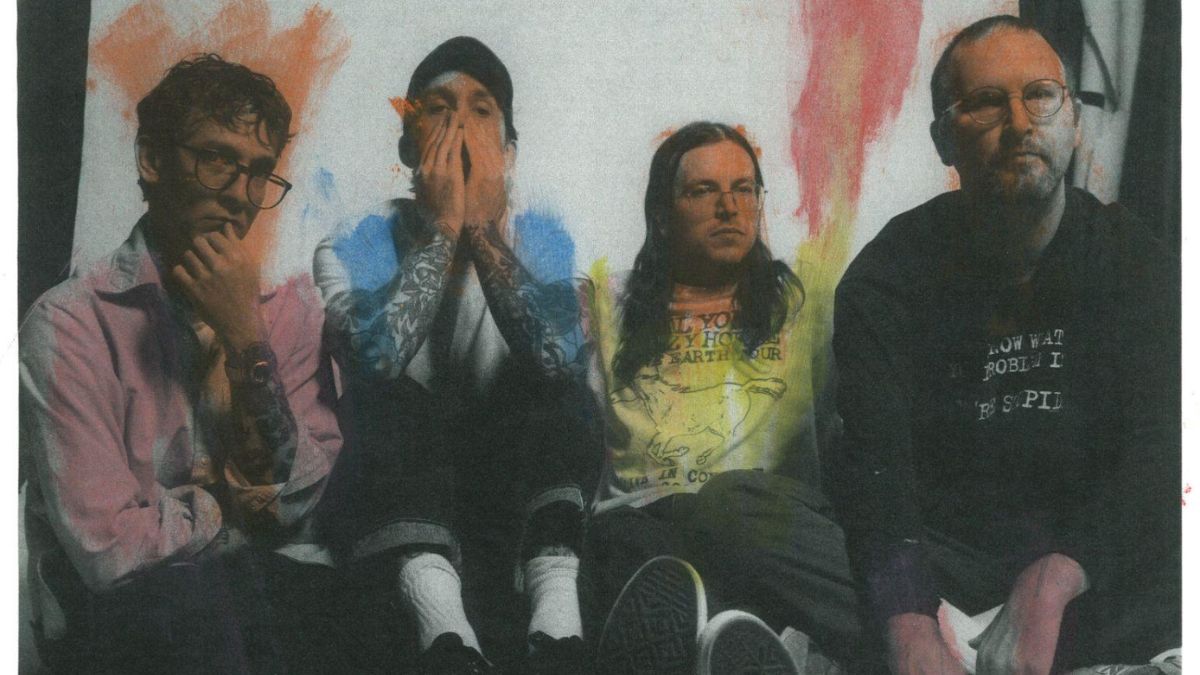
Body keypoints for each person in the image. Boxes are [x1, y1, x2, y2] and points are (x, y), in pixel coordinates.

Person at [831, 15, 1180, 675]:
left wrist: (1056, 576)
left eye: (1040, 95)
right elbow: (880, 476)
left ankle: (961, 646)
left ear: (1073, 120)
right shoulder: (887, 278)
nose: (1020, 123)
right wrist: (908, 624)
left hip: (1088, 566)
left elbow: (1163, 452)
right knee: (747, 513)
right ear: (944, 139)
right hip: (949, 566)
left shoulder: (1135, 262)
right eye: (988, 103)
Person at [18, 55, 375, 673]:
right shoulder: (68, 325)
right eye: (217, 160)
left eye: (258, 172)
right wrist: (240, 510)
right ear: (153, 161)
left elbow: (302, 499)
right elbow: (112, 553)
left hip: (259, 597)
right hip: (128, 623)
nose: (239, 194)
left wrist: (245, 340)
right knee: (199, 604)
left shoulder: (287, 312)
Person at [313, 36, 598, 673]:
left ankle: (557, 631)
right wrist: (445, 226)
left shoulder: (546, 234)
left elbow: (557, 362)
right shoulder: (356, 238)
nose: (460, 125)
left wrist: (482, 228)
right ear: (407, 149)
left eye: (481, 110)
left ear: (509, 150)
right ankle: (446, 638)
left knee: (558, 373)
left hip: (514, 484)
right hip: (402, 489)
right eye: (439, 110)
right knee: (386, 387)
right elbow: (376, 361)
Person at [583, 122, 858, 674]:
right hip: (647, 536)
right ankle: (740, 645)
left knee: (734, 511)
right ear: (663, 215)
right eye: (703, 190)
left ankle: (732, 642)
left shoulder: (805, 302)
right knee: (629, 542)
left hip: (760, 524)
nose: (729, 208)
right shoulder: (605, 302)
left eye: (744, 189)